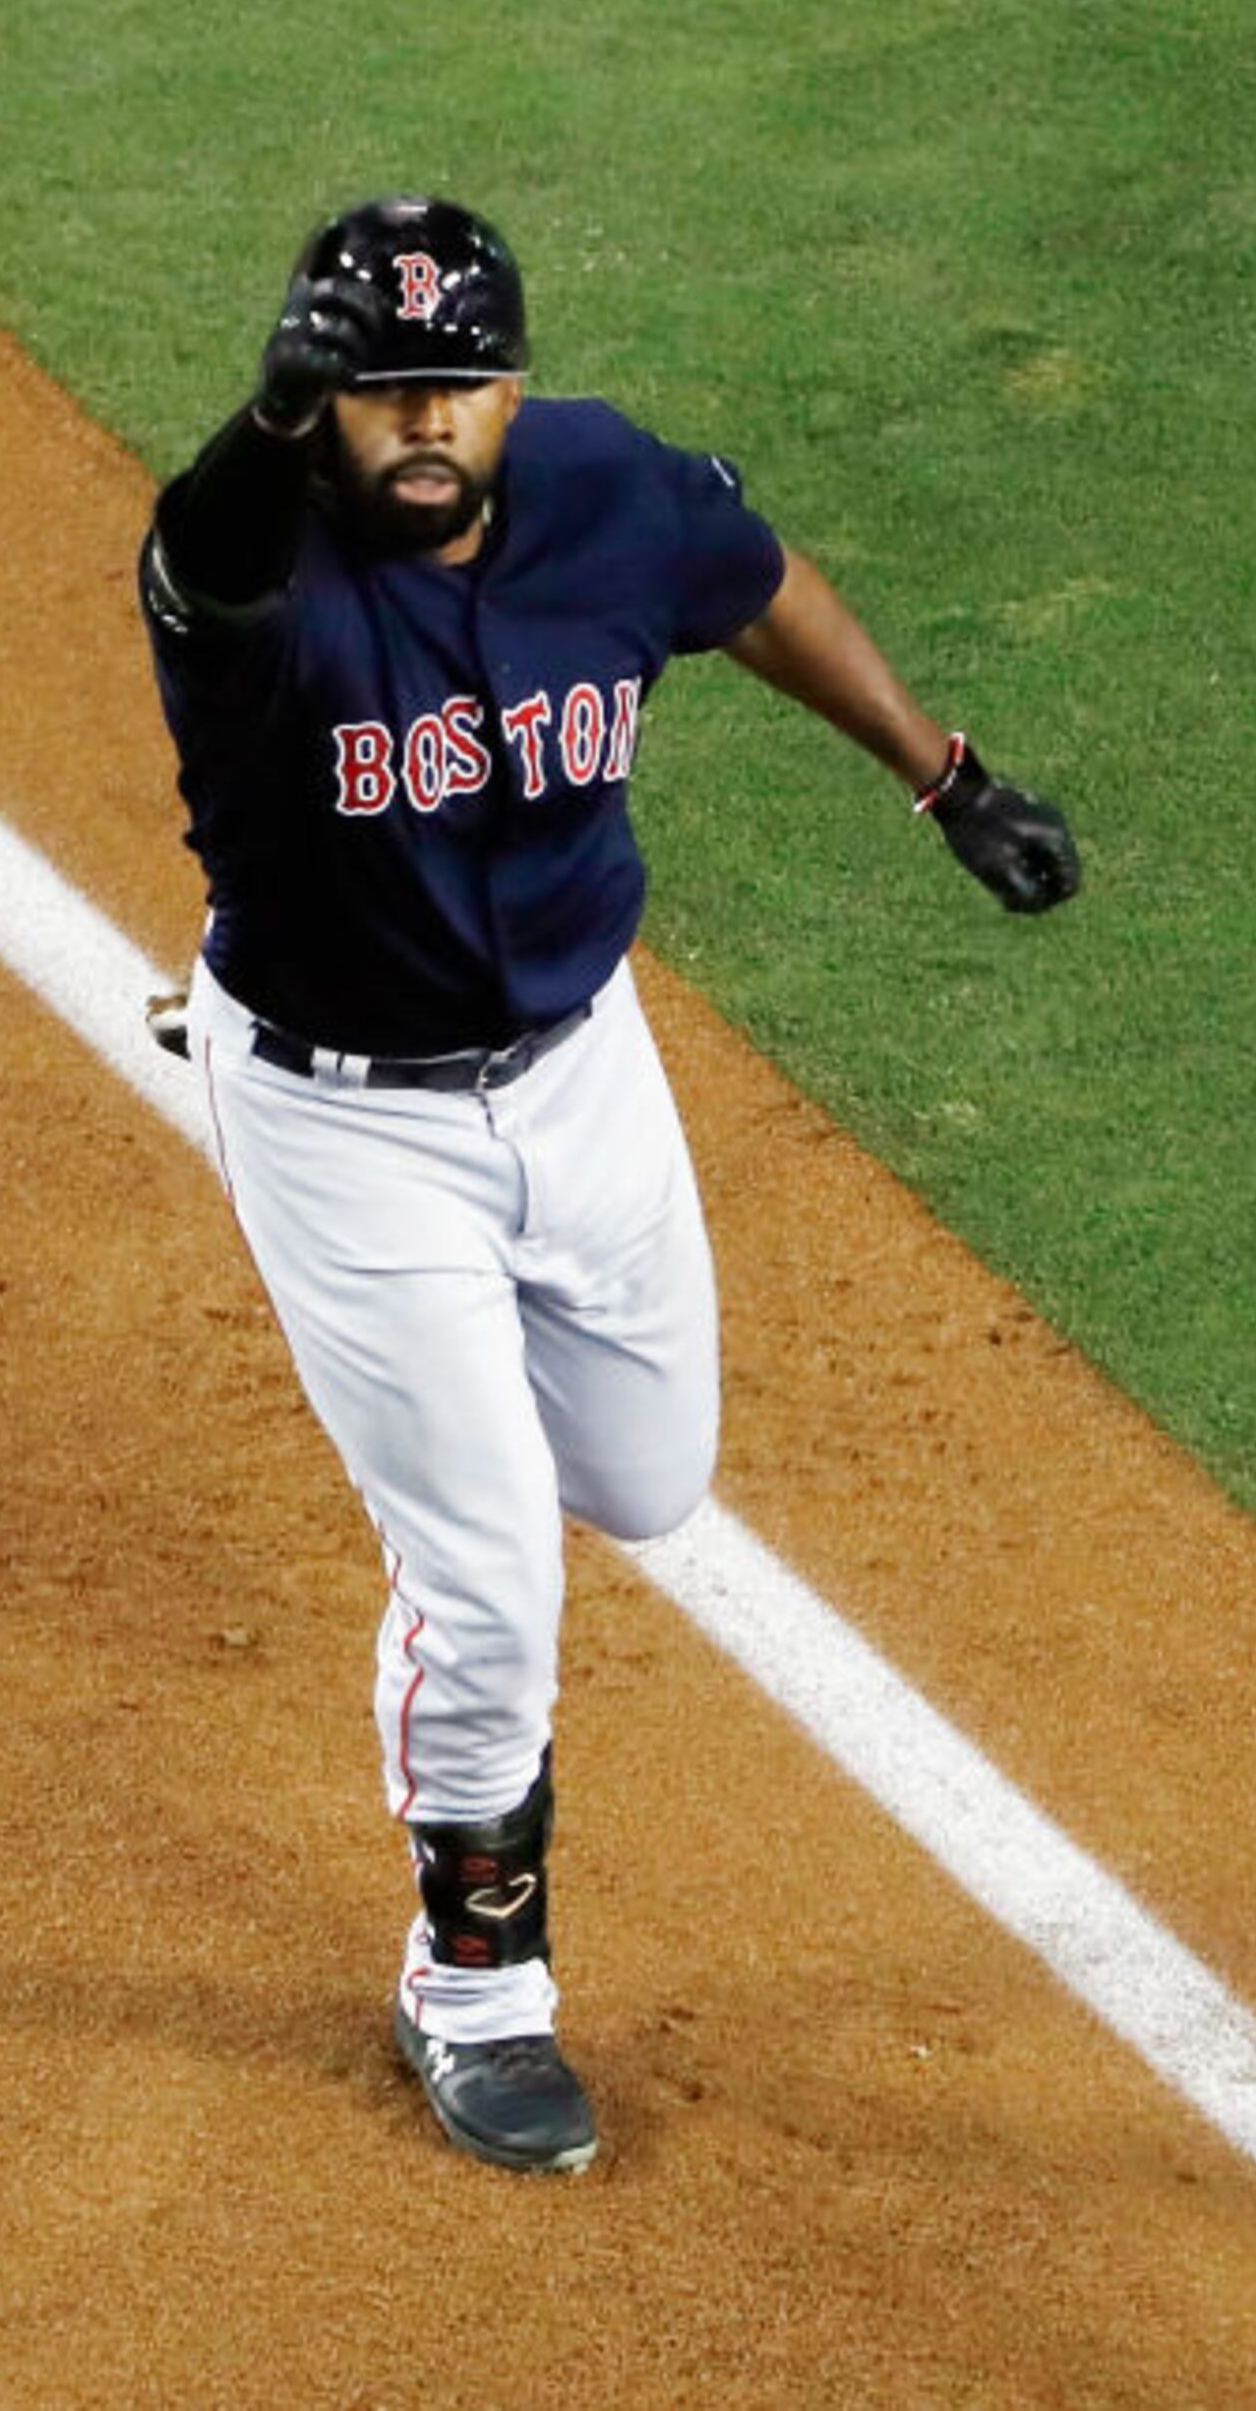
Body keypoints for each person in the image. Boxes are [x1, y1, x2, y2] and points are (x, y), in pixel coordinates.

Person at [136, 194, 1077, 2173]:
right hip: (349, 1117)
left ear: (514, 387)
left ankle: (462, 1411)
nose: (415, 421)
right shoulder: (265, 561)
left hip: (578, 1066)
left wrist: (944, 772)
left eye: (452, 383)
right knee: (489, 1580)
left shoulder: (604, 490)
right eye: (372, 386)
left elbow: (752, 585)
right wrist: (257, 424)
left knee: (648, 1480)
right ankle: (474, 1988)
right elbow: (199, 560)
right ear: (320, 398)